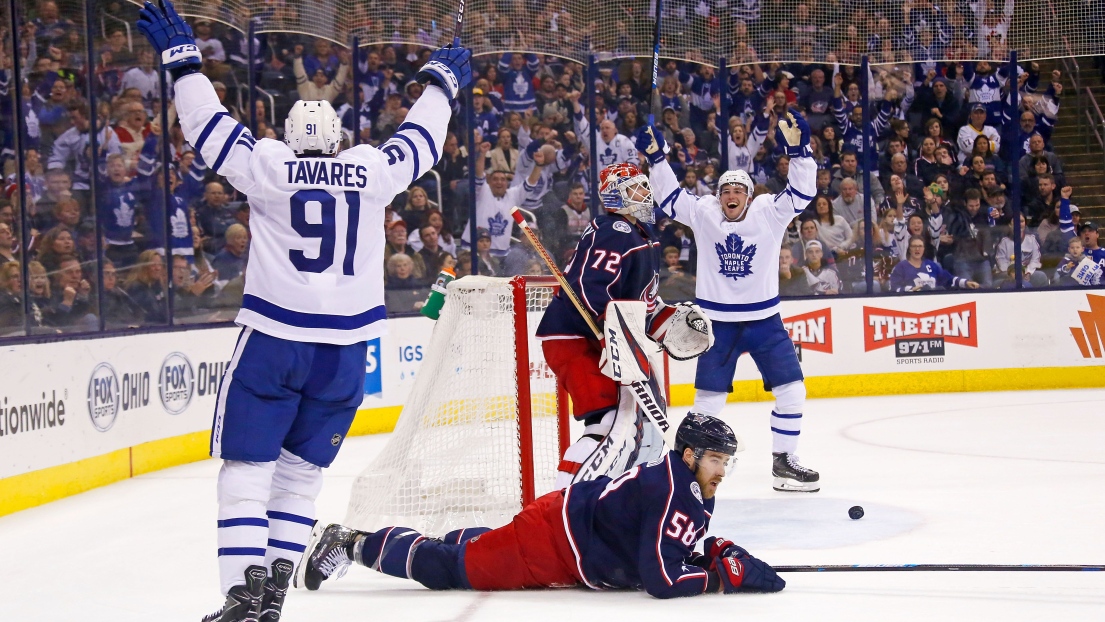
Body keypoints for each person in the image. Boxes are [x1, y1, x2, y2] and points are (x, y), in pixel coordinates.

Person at [135, 2, 472, 620]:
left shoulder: (269, 164)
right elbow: (420, 143)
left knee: (246, 467)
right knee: (301, 472)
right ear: (340, 140)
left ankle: (242, 590)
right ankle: (274, 594)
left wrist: (184, 63)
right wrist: (441, 88)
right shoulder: (370, 169)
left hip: (274, 338)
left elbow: (207, 126)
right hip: (346, 352)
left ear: (290, 137)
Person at [297, 414, 786, 599]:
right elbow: (660, 579)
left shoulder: (690, 487)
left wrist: (708, 553)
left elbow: (661, 549)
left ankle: (454, 541)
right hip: (552, 541)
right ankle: (354, 544)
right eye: (716, 459)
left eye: (726, 461)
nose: (722, 468)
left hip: (562, 532)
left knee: (479, 549)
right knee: (457, 570)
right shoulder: (674, 490)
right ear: (690, 455)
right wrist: (716, 576)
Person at [637, 108, 821, 492]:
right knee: (707, 404)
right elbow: (670, 198)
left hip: (765, 323)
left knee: (793, 391)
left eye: (738, 191)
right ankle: (684, 472)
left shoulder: (769, 212)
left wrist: (801, 152)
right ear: (717, 196)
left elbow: (803, 194)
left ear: (750, 197)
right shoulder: (705, 213)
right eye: (725, 191)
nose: (731, 196)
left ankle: (784, 462)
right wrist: (656, 159)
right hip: (716, 325)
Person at [536, 162, 712, 488]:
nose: (645, 194)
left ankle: (623, 494)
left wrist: (667, 322)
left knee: (643, 421)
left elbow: (642, 305)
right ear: (615, 197)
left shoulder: (644, 236)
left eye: (645, 187)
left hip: (611, 338)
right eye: (635, 189)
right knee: (608, 423)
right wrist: (612, 335)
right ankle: (562, 503)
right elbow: (590, 288)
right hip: (576, 338)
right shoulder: (612, 231)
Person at [890, 235, 981, 292]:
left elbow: (949, 279)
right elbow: (894, 289)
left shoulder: (932, 265)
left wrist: (966, 282)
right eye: (914, 246)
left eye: (920, 246)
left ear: (924, 249)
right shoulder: (901, 267)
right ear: (909, 249)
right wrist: (910, 290)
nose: (917, 249)